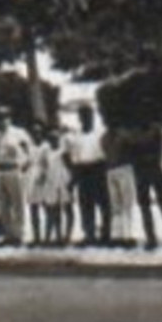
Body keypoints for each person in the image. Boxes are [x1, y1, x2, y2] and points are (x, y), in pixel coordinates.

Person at [130, 118, 162, 250]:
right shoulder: (139, 132)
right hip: (143, 171)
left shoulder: (154, 131)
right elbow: (132, 153)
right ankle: (153, 237)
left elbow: (161, 149)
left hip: (153, 169)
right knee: (147, 205)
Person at [0, 106, 32, 246]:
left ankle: (19, 235)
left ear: (10, 118)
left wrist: (25, 166)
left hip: (14, 170)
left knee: (18, 204)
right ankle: (9, 235)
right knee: (3, 205)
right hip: (0, 171)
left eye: (4, 117)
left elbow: (29, 151)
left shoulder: (19, 133)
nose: (1, 121)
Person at [67, 105, 110, 246]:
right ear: (80, 118)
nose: (87, 119)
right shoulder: (76, 136)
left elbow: (106, 153)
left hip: (98, 168)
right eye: (83, 116)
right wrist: (74, 175)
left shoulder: (100, 133)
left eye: (89, 116)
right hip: (82, 170)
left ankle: (105, 234)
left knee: (103, 203)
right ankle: (89, 234)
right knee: (86, 204)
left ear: (93, 117)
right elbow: (74, 157)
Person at [103, 124, 139, 249]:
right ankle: (122, 235)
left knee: (122, 205)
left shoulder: (109, 136)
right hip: (118, 169)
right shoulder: (112, 136)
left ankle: (123, 235)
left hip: (117, 169)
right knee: (120, 205)